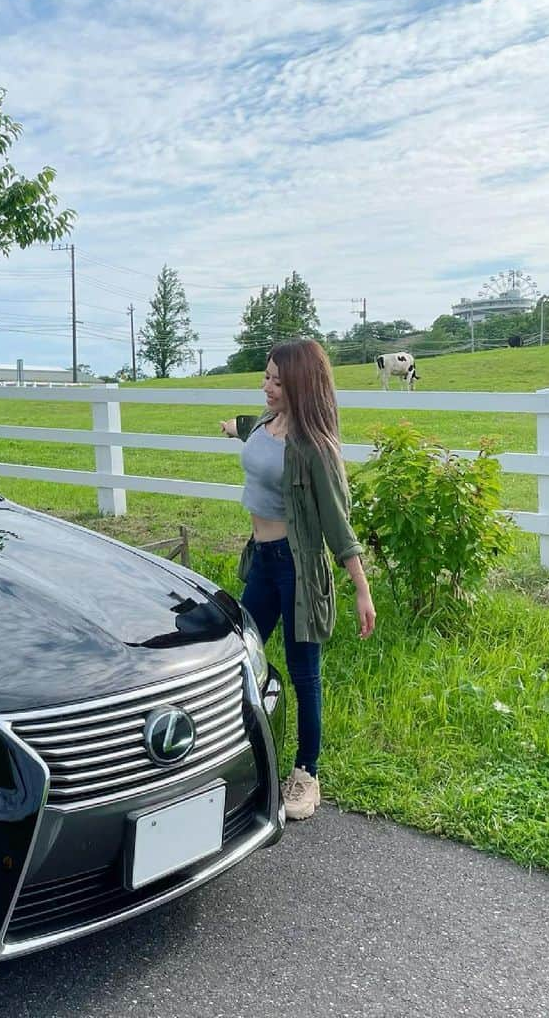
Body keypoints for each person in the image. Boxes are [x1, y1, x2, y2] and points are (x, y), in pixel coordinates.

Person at [220, 338, 375, 820]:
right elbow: (253, 431)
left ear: (301, 386)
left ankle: (306, 774)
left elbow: (338, 524)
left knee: (304, 671)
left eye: (278, 382)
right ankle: (233, 754)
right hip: (262, 561)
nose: (267, 387)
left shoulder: (313, 449)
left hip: (297, 566)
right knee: (239, 656)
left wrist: (361, 589)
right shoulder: (266, 423)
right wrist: (233, 427)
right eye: (266, 377)